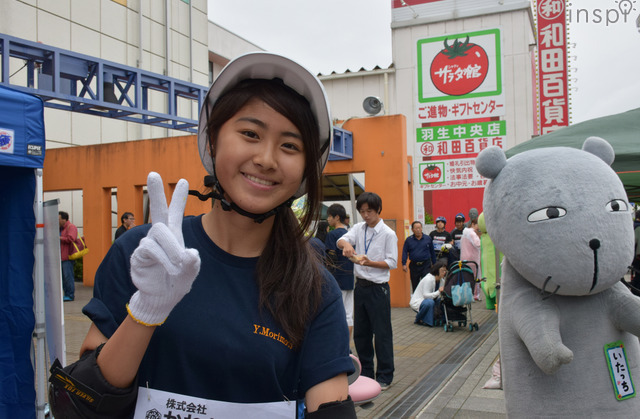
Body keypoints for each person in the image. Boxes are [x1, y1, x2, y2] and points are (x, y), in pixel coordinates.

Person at [49, 52, 356, 418]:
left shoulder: (314, 288)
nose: (267, 159)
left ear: (306, 169)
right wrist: (145, 311)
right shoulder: (143, 252)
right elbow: (79, 405)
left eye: (290, 145)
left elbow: (331, 408)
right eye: (250, 134)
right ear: (212, 141)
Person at [337, 192, 398, 391]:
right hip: (361, 286)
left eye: (369, 211)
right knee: (361, 334)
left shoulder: (388, 233)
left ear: (378, 210)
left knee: (382, 334)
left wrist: (369, 262)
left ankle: (385, 376)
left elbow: (392, 262)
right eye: (362, 211)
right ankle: (366, 373)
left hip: (378, 288)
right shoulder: (358, 228)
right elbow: (342, 240)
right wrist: (346, 244)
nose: (365, 215)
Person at [325, 203, 355, 339]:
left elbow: (330, 259)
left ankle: (339, 344)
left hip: (337, 278)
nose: (327, 219)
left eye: (329, 216)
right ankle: (347, 345)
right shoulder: (350, 234)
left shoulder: (332, 235)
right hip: (350, 277)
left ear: (336, 217)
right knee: (348, 314)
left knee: (337, 312)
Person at [401, 221, 436, 293]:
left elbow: (432, 252)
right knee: (415, 285)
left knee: (426, 284)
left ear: (422, 228)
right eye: (416, 228)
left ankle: (426, 302)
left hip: (426, 265)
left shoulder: (428, 239)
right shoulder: (409, 240)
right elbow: (404, 252)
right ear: (412, 229)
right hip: (414, 265)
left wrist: (434, 263)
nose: (418, 230)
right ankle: (416, 302)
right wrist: (404, 264)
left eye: (419, 228)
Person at [410, 260, 448, 326]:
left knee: (443, 301)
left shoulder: (442, 280)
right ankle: (421, 319)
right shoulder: (429, 279)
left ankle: (442, 319)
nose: (444, 273)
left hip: (432, 300)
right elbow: (426, 296)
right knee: (430, 302)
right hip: (420, 301)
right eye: (442, 271)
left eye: (445, 271)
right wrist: (438, 291)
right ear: (437, 270)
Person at [460, 218, 482, 301]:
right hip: (473, 259)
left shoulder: (464, 233)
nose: (478, 227)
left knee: (466, 277)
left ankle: (466, 295)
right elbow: (478, 244)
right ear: (473, 224)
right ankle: (475, 295)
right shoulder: (472, 233)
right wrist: (480, 236)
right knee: (475, 277)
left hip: (464, 258)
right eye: (478, 225)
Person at [58, 211, 78, 302]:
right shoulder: (60, 228)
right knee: (63, 277)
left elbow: (71, 238)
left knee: (68, 276)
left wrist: (60, 238)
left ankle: (70, 294)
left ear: (64, 219)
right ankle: (66, 294)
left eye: (58, 219)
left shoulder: (71, 227)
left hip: (67, 257)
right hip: (61, 256)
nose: (57, 221)